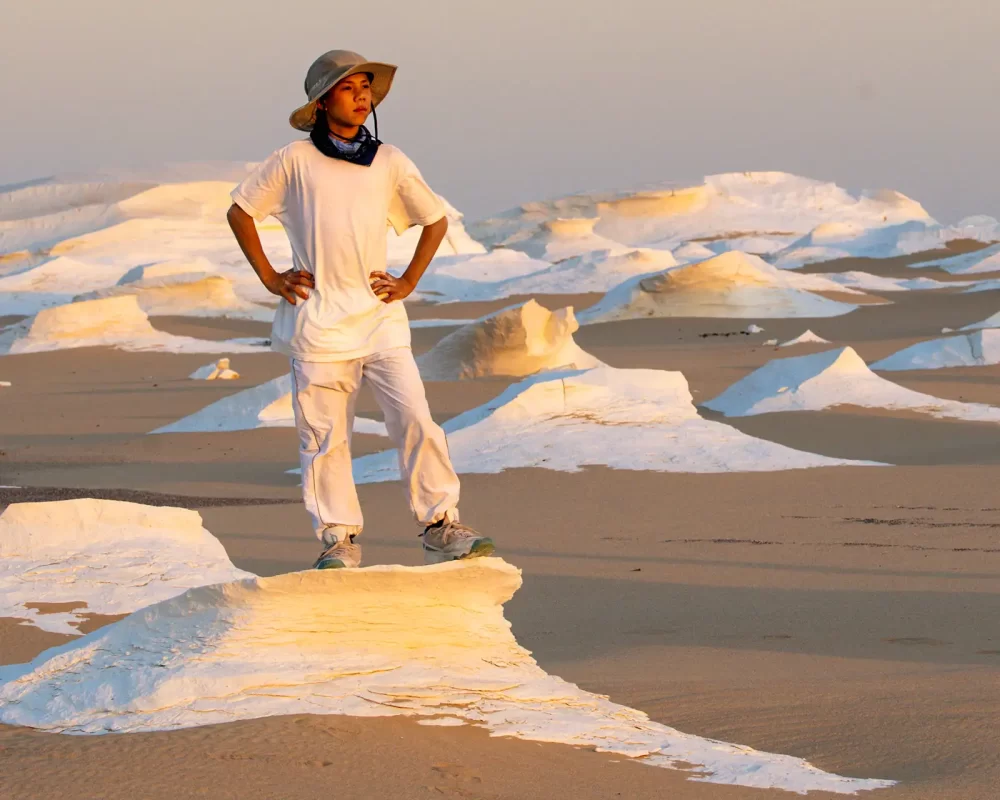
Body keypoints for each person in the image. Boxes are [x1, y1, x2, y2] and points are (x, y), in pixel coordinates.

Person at [226, 49, 493, 570]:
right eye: (350, 88)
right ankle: (339, 541)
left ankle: (440, 526)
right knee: (326, 437)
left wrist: (409, 280)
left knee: (415, 417)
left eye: (367, 88)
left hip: (380, 319)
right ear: (323, 101)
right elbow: (241, 211)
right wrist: (271, 276)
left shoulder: (389, 159)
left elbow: (434, 219)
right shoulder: (293, 160)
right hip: (319, 322)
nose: (363, 96)